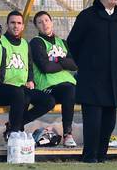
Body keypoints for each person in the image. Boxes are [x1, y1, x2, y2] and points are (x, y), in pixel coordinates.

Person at [67, 0, 117, 163]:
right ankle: (89, 157)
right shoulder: (87, 16)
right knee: (93, 121)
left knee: (109, 121)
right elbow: (73, 42)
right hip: (91, 77)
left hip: (112, 77)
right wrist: (84, 62)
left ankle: (102, 156)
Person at [1, 11, 55, 138]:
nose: (16, 26)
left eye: (19, 23)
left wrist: (30, 80)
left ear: (23, 26)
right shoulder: (1, 41)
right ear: (7, 24)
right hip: (6, 87)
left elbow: (29, 66)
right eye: (12, 23)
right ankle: (15, 132)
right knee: (22, 97)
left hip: (22, 86)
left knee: (49, 101)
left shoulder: (25, 43)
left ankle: (15, 125)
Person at [30, 11, 78, 147]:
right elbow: (45, 67)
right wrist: (64, 62)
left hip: (67, 85)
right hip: (48, 86)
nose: (44, 24)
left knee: (88, 93)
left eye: (46, 20)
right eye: (40, 22)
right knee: (69, 90)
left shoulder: (62, 42)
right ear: (37, 27)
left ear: (51, 22)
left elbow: (74, 65)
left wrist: (56, 59)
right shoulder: (36, 42)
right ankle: (68, 134)